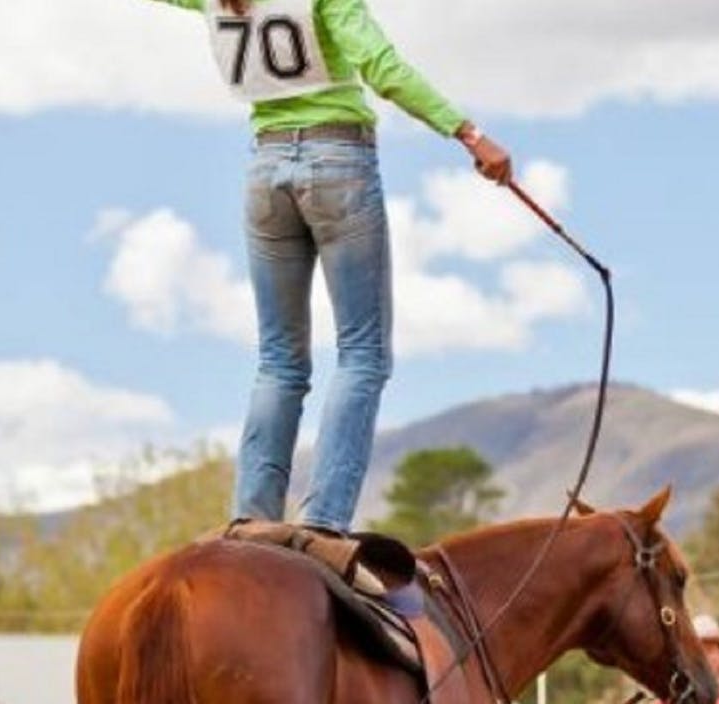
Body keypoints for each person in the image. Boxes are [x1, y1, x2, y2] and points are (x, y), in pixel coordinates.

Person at [148, 0, 512, 534]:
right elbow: (382, 68)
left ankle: (252, 516)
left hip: (265, 171)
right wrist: (468, 134)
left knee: (278, 361)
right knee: (363, 355)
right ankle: (323, 522)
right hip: (339, 163)